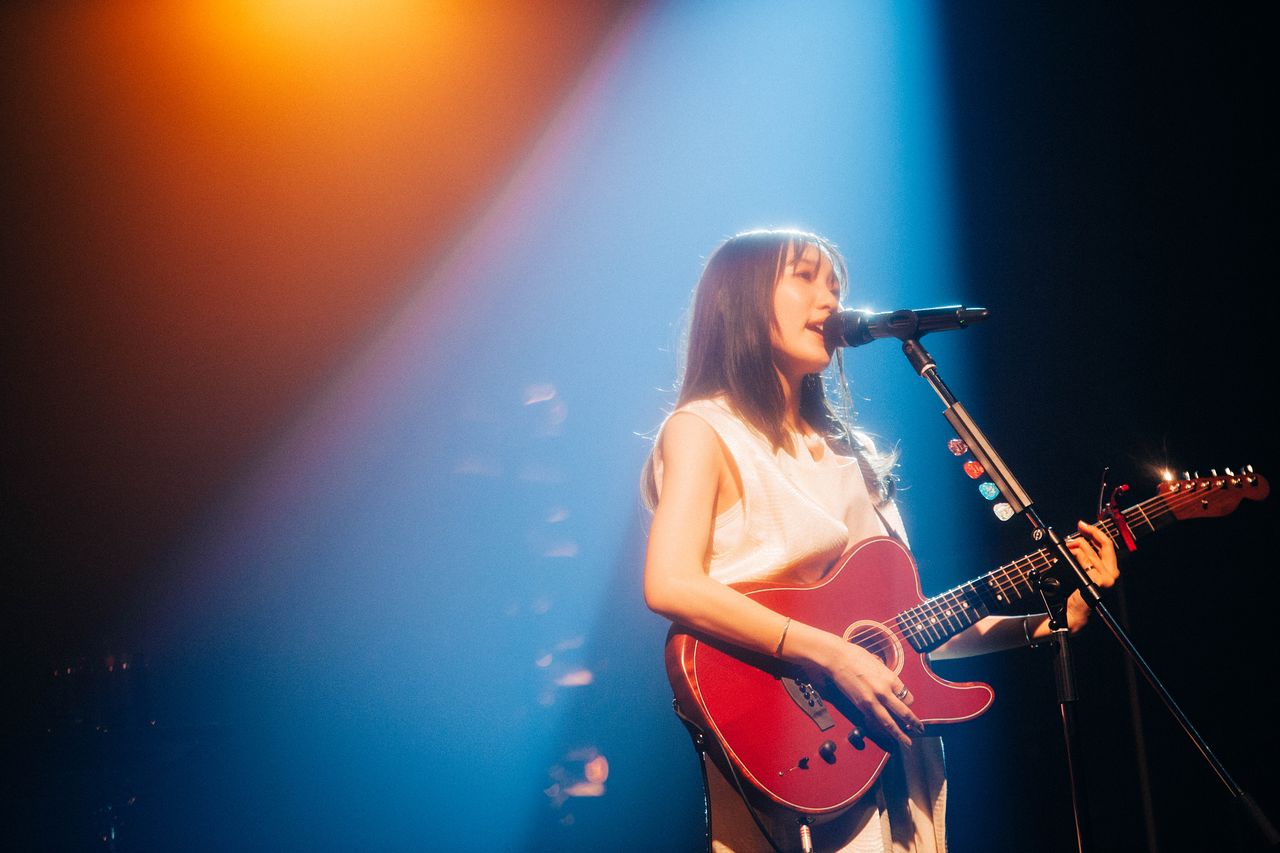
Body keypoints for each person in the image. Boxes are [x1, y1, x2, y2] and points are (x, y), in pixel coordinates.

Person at [641, 229, 1119, 852]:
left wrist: (1047, 622)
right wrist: (831, 653)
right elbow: (670, 582)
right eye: (806, 278)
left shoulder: (855, 455)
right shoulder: (703, 430)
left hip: (884, 749)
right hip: (781, 734)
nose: (830, 299)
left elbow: (904, 633)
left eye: (835, 285)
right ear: (742, 300)